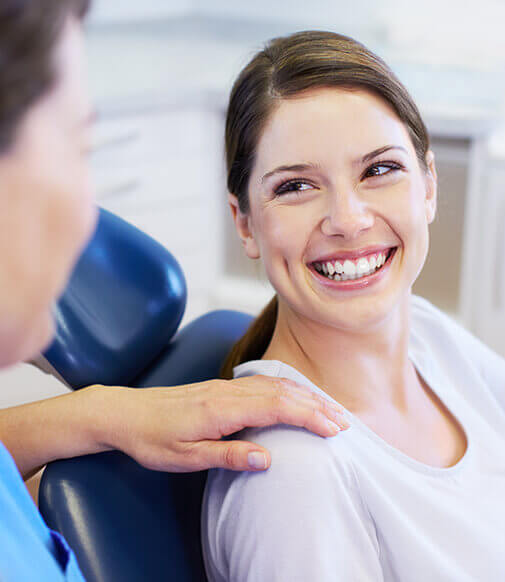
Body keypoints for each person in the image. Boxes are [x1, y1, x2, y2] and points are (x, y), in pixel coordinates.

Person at [0, 4, 349, 580]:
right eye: (74, 149)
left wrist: (101, 414)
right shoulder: (292, 484)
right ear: (245, 221)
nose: (91, 224)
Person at [202, 30, 505, 581]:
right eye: (295, 186)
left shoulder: (430, 336)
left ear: (428, 184)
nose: (348, 219)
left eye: (379, 170)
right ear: (245, 222)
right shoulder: (293, 476)